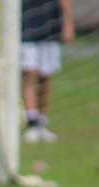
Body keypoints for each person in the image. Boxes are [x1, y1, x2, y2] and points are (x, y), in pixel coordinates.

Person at [21, 0, 73, 144]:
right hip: (26, 22)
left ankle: (41, 122)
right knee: (28, 73)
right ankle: (32, 122)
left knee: (45, 75)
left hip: (50, 23)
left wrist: (68, 22)